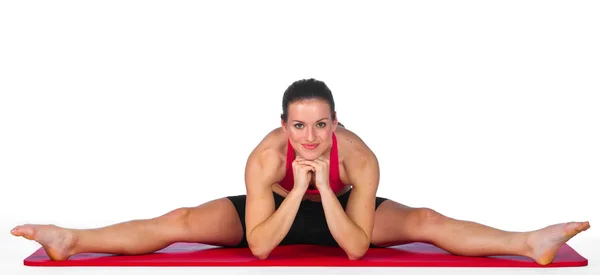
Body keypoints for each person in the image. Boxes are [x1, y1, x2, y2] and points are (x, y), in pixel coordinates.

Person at [11, 78, 590, 265]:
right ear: (283, 125)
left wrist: (324, 190)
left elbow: (357, 248)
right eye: (299, 126)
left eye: (321, 126)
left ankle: (528, 241)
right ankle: (72, 237)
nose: (310, 137)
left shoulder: (359, 157)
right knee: (181, 219)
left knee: (425, 219)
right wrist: (300, 189)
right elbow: (261, 246)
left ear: (336, 124)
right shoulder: (265, 157)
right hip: (274, 216)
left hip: (339, 217)